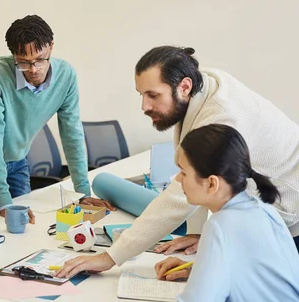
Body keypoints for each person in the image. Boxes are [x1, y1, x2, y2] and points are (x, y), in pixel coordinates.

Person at [57, 46, 299, 278]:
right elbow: (199, 177)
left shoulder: (221, 115)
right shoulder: (203, 86)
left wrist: (110, 257)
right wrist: (196, 232)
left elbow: (181, 195)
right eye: (141, 94)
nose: (144, 106)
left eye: (153, 95)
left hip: (288, 208)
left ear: (184, 86)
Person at [0, 14, 114, 219]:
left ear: (51, 46)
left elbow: (72, 134)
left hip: (18, 159)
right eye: (23, 62)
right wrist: (4, 202)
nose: (33, 69)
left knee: (27, 222)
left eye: (40, 60)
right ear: (13, 55)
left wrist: (82, 193)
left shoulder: (66, 75)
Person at [154, 124, 299, 301]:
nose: (177, 178)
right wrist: (197, 270)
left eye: (183, 172)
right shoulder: (265, 209)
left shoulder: (220, 225)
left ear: (212, 184)